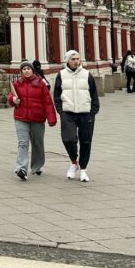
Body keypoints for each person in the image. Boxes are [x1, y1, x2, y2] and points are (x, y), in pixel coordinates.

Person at [53, 49, 99, 183]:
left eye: (78, 59)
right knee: (68, 139)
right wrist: (60, 110)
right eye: (73, 59)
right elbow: (56, 94)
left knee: (85, 141)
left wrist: (93, 111)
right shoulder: (61, 75)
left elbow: (94, 94)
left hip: (86, 113)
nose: (76, 61)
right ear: (67, 60)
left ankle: (83, 169)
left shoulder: (87, 75)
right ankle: (74, 162)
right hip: (68, 112)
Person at [8, 62, 57, 180]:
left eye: (28, 69)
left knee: (37, 143)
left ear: (32, 71)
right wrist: (13, 100)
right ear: (21, 72)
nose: (26, 71)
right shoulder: (17, 83)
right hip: (21, 118)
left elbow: (47, 102)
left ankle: (36, 166)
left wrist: (51, 119)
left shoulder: (40, 84)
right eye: (24, 69)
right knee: (23, 143)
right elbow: (10, 97)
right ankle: (21, 168)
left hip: (37, 118)